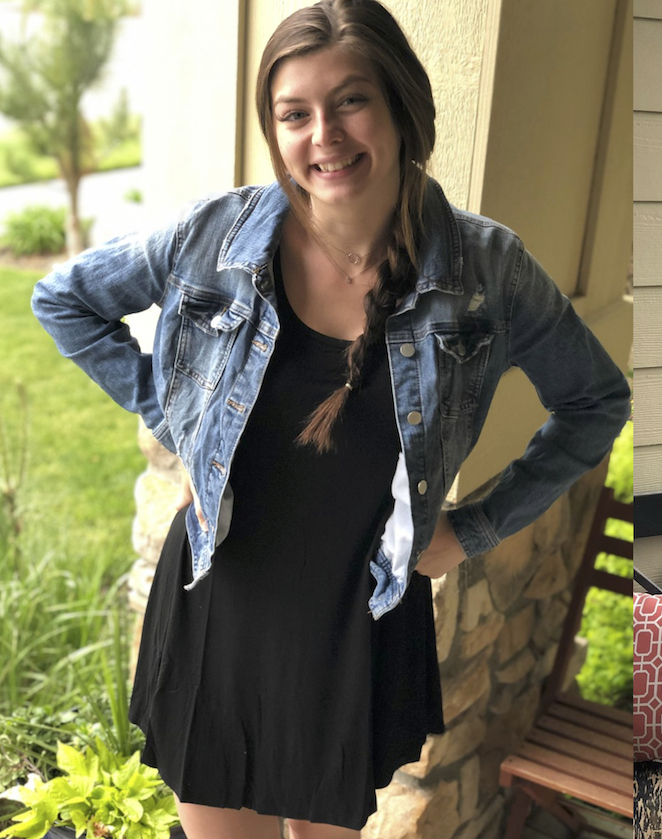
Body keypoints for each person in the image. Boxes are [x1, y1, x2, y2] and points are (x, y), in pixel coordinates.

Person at [29, 1, 630, 837]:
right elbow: (64, 301)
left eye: (350, 101)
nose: (324, 135)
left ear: (400, 108)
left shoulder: (487, 269)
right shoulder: (217, 238)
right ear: (274, 132)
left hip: (359, 615)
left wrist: (476, 527)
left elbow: (597, 401)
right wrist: (176, 420)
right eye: (294, 113)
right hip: (224, 599)